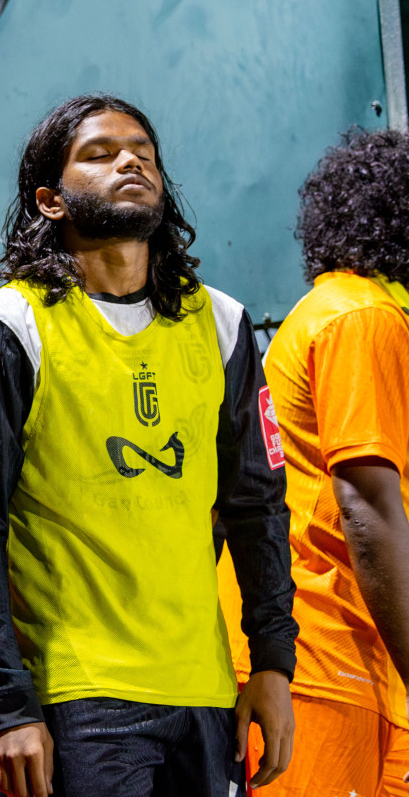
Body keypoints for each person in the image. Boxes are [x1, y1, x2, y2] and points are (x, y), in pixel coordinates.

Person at [0, 94, 297, 797]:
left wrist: (272, 664)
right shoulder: (10, 326)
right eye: (100, 154)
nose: (130, 160)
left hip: (203, 688)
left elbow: (259, 507)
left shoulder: (221, 323)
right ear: (50, 200)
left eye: (143, 151)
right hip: (75, 692)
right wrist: (7, 703)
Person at [216, 128, 409, 796]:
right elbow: (368, 507)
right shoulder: (362, 317)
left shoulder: (348, 310)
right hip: (324, 660)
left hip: (346, 663)